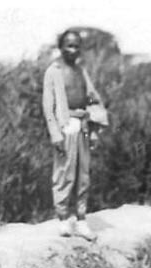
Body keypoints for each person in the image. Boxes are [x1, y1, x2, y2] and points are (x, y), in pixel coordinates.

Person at [42, 29, 106, 240]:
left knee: (83, 175)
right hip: (65, 125)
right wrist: (55, 134)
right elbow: (48, 106)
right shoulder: (54, 70)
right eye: (69, 45)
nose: (73, 49)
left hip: (83, 124)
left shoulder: (81, 71)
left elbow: (93, 99)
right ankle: (62, 218)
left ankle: (81, 218)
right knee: (64, 173)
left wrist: (95, 125)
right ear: (60, 47)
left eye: (77, 46)